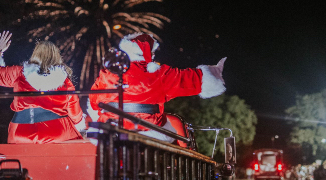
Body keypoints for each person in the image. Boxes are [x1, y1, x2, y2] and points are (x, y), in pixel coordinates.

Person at [89, 33, 226, 141]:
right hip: (148, 131)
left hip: (110, 130)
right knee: (173, 131)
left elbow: (94, 102)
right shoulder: (156, 73)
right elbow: (187, 79)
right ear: (147, 52)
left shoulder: (107, 73)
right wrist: (215, 72)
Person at [0, 31, 85, 143]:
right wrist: (80, 125)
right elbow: (75, 113)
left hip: (20, 131)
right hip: (55, 131)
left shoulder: (20, 73)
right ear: (56, 56)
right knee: (76, 144)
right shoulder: (64, 81)